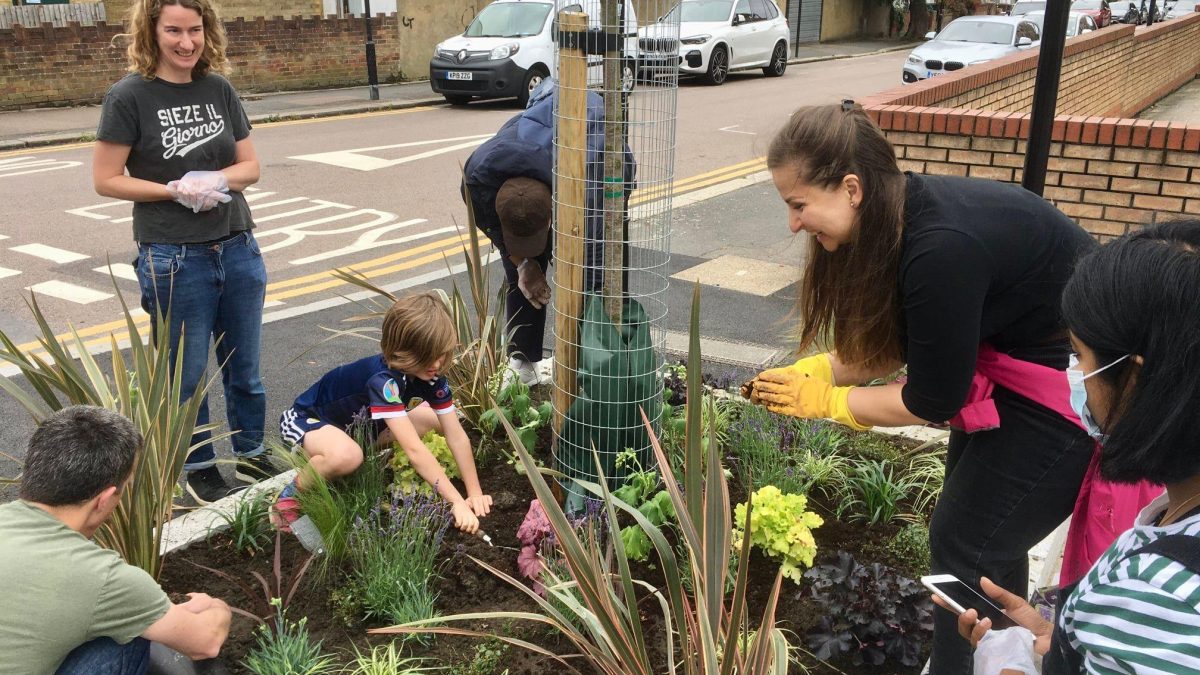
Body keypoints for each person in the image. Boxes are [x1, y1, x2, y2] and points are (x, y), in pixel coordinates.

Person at [747, 102, 1101, 673]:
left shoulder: (938, 247)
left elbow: (932, 397)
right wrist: (826, 369)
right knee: (982, 539)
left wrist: (829, 401)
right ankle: (1006, 659)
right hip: (1017, 369)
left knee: (966, 543)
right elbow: (922, 340)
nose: (792, 224)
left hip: (1072, 390)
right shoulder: (900, 215)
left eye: (798, 204)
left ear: (852, 189)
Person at [942, 220, 1200, 674]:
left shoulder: (1159, 596)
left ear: (1135, 380)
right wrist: (1064, 643)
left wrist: (1008, 668)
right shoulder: (1175, 513)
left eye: (1080, 355)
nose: (1074, 374)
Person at [92, 0, 270, 505]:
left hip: (237, 245)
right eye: (174, 30)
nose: (186, 42)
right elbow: (106, 179)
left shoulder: (219, 89)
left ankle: (253, 451)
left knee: (246, 370)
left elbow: (250, 167)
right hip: (173, 256)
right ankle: (198, 466)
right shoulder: (128, 96)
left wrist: (215, 179)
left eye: (195, 30)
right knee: (186, 377)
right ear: (151, 31)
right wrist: (172, 190)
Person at [0, 405, 232, 675]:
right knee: (128, 639)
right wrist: (218, 607)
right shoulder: (102, 578)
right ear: (106, 499)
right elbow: (206, 642)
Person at [462, 79, 634, 386]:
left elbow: (595, 271)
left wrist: (585, 332)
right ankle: (522, 364)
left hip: (600, 159)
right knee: (523, 276)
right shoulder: (478, 177)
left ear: (555, 211)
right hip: (541, 115)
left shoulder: (590, 182)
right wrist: (523, 264)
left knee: (596, 279)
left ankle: (598, 367)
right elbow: (497, 231)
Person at [276, 292, 491, 533]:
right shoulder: (383, 380)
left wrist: (474, 493)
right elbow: (414, 450)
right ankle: (287, 499)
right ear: (402, 350)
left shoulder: (430, 374)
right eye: (427, 356)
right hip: (309, 421)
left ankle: (351, 453)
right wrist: (456, 502)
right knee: (348, 456)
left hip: (361, 429)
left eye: (441, 353)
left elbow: (456, 434)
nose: (437, 364)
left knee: (432, 419)